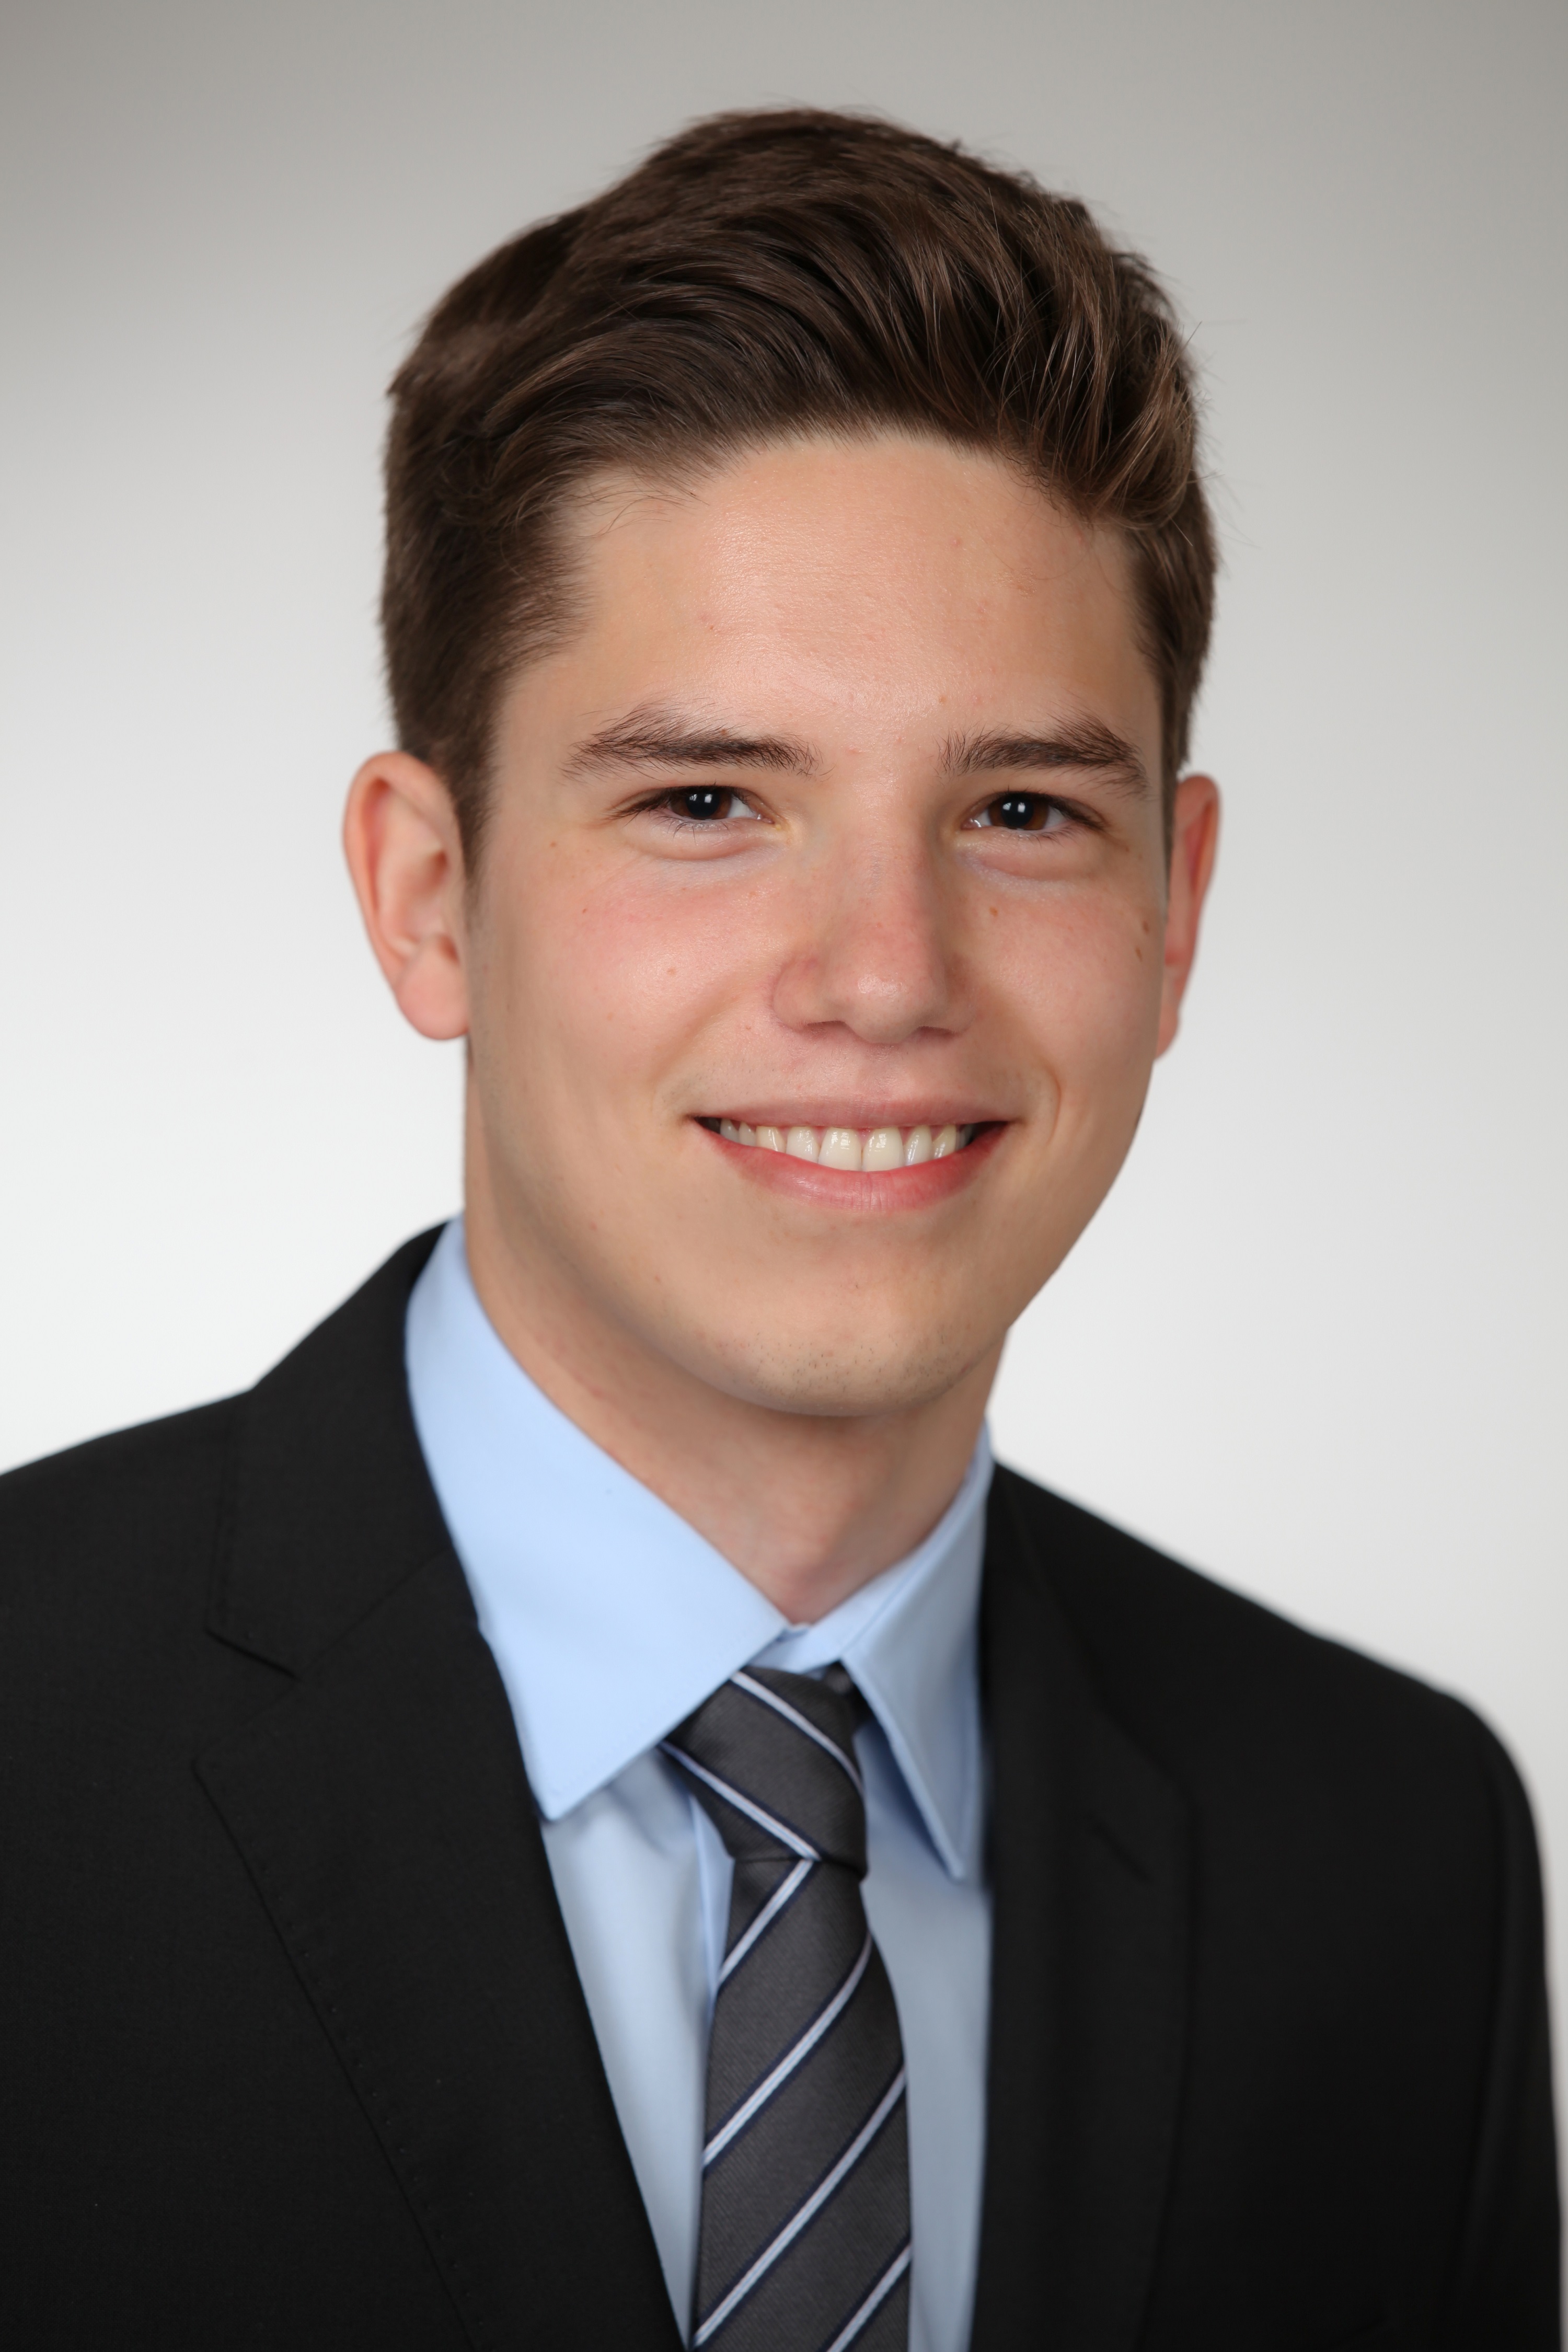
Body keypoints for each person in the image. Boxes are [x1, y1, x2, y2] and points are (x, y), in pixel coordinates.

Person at [0, 106, 1556, 2352]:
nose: (888, 975)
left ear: (1175, 910)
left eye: (1022, 810)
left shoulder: (1400, 1858)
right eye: (711, 799)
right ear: (429, 897)